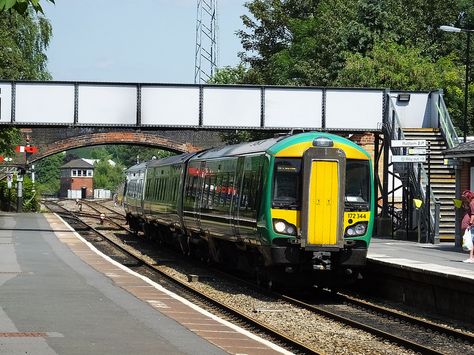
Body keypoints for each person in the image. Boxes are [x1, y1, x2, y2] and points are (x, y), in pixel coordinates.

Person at [460, 190, 474, 262]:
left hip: (472, 225)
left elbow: (473, 214)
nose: (465, 199)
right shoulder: (471, 203)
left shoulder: (472, 203)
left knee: (471, 241)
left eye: (465, 198)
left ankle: (471, 257)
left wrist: (470, 224)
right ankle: (471, 257)